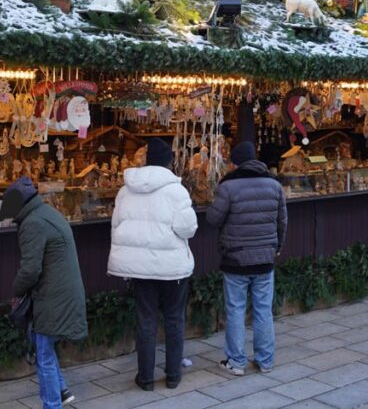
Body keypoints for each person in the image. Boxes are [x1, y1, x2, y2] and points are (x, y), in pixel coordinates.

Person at [107, 139, 197, 391]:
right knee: (174, 319)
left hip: (140, 268)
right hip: (172, 267)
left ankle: (145, 378)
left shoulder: (125, 191)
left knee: (146, 320)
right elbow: (188, 228)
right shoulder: (176, 190)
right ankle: (173, 375)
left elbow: (116, 226)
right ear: (169, 161)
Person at [0, 177, 86, 409]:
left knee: (44, 354)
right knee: (45, 345)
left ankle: (52, 404)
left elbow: (30, 269)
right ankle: (63, 391)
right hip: (62, 291)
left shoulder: (32, 223)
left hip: (52, 296)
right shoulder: (46, 212)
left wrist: (15, 292)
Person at [206, 141, 286, 376]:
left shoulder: (228, 186)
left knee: (235, 309)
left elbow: (213, 219)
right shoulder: (274, 184)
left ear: (234, 162)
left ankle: (236, 362)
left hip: (235, 258)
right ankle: (265, 361)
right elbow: (282, 221)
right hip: (264, 258)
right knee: (263, 310)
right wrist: (277, 247)